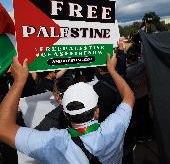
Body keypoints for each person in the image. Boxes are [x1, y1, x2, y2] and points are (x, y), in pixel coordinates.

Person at [0, 54, 135, 164]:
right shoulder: (114, 128)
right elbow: (129, 97)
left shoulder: (53, 142)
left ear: (65, 114)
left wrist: (18, 82)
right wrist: (111, 70)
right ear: (97, 112)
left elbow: (3, 127)